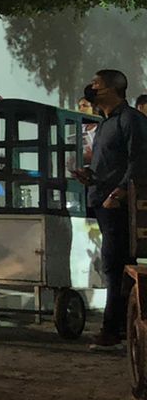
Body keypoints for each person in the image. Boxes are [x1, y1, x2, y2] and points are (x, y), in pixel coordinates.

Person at [70, 68, 147, 349]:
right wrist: (91, 175)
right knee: (115, 266)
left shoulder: (131, 120)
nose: (91, 88)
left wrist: (119, 192)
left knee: (116, 266)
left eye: (97, 84)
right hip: (102, 202)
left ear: (113, 89)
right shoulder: (103, 124)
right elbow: (111, 164)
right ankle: (123, 326)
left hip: (120, 207)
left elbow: (139, 163)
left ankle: (112, 330)